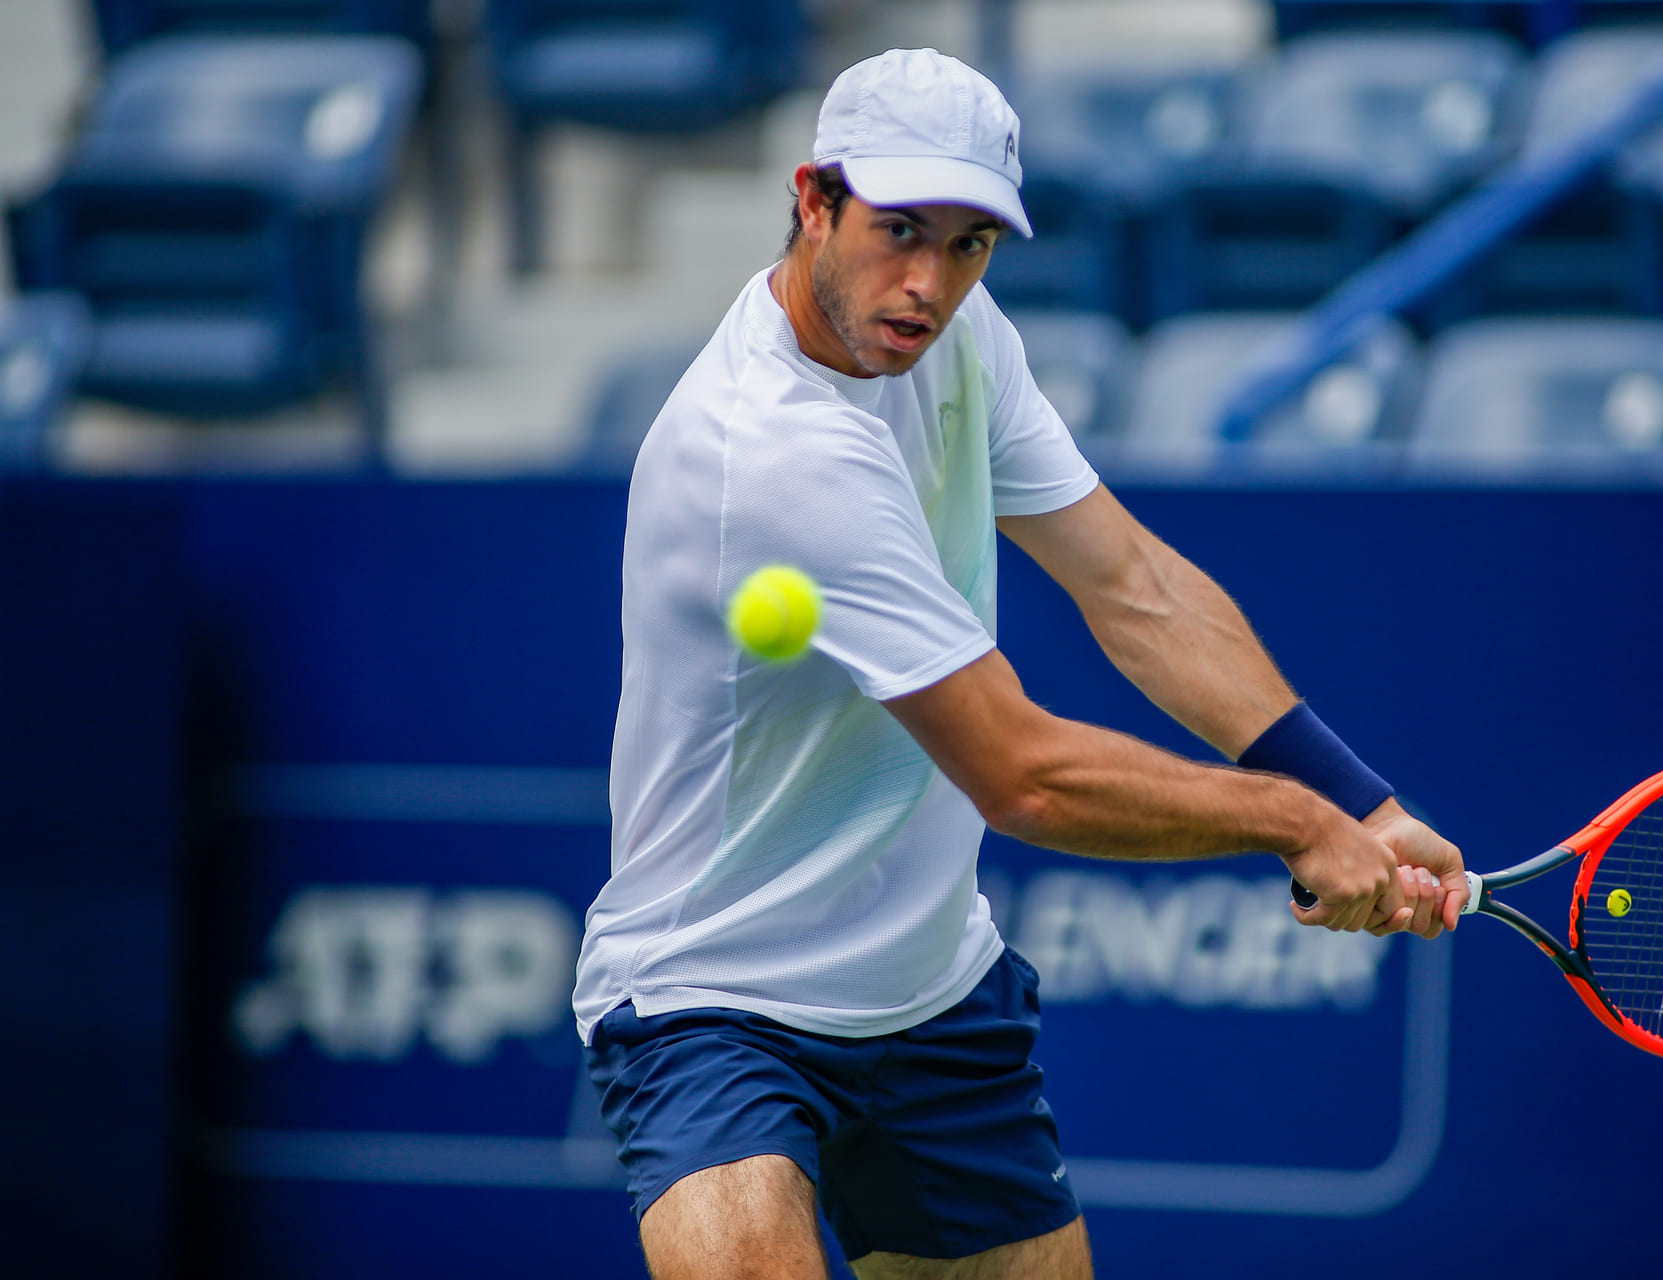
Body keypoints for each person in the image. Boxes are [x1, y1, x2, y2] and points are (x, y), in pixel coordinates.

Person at [574, 47, 1469, 1280]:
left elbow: (1135, 586)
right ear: (814, 199)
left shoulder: (960, 337)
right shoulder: (772, 453)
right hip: (714, 999)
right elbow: (1022, 774)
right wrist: (1294, 819)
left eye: (970, 244)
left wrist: (1359, 801)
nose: (929, 284)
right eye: (899, 230)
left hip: (931, 987)